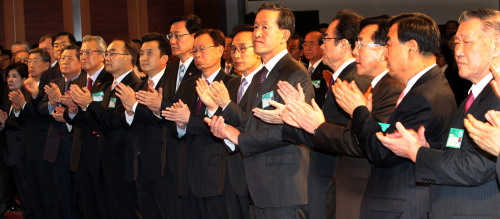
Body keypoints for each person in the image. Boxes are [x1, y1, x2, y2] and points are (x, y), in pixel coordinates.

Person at [331, 12, 456, 218]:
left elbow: (383, 153)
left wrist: (359, 111)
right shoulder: (427, 86)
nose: (386, 54)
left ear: (411, 48)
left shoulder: (424, 95)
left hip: (400, 205)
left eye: (388, 45)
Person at [378, 9, 500, 218]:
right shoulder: (472, 95)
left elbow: (476, 167)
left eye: (466, 42)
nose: (458, 51)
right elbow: (458, 150)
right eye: (456, 43)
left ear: (496, 45)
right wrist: (428, 148)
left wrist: (417, 153)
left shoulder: (496, 97)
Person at [205, 3, 314, 218]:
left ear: (284, 35)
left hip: (282, 187)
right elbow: (252, 121)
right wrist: (226, 131)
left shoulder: (294, 72)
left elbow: (291, 130)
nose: (257, 33)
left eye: (265, 27)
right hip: (258, 187)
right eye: (255, 27)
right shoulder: (259, 76)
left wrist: (239, 138)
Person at [162, 28, 234, 219]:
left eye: (202, 48)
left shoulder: (231, 84)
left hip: (215, 174)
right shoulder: (187, 85)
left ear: (220, 50)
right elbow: (174, 122)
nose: (197, 54)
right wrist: (179, 126)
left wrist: (189, 120)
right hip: (186, 173)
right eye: (194, 50)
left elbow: (225, 123)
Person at [71, 39, 143, 219]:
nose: (107, 58)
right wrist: (84, 108)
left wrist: (89, 105)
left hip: (124, 160)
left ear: (128, 58)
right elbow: (100, 122)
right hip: (107, 158)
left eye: (112, 54)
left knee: (127, 211)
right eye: (107, 54)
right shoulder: (111, 84)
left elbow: (116, 120)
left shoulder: (133, 85)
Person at [120, 32, 174, 219]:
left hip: (162, 162)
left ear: (164, 58)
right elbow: (132, 123)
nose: (143, 58)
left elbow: (162, 118)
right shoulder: (140, 86)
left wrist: (133, 106)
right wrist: (128, 111)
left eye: (149, 53)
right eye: (141, 53)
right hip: (140, 162)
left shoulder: (171, 84)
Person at [160, 14, 203, 219]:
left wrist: (159, 105)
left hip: (194, 149)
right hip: (171, 150)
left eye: (178, 35)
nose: (172, 41)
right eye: (170, 36)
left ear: (195, 37)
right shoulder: (170, 69)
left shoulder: (202, 68)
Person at [64, 35, 112, 219]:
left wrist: (85, 105)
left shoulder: (109, 79)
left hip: (100, 152)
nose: (83, 56)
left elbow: (105, 115)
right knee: (87, 205)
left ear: (102, 55)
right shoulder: (77, 81)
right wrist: (72, 110)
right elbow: (71, 117)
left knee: (104, 205)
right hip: (80, 151)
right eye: (81, 52)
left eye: (88, 52)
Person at [0, 63, 31, 217]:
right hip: (11, 153)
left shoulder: (26, 98)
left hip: (23, 153)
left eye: (15, 76)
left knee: (28, 191)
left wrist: (6, 123)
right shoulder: (8, 98)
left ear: (24, 79)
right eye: (8, 76)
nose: (10, 80)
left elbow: (22, 124)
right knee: (21, 191)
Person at [302, 30, 332, 108]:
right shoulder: (300, 69)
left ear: (322, 46)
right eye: (305, 44)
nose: (307, 48)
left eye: (311, 44)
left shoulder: (328, 69)